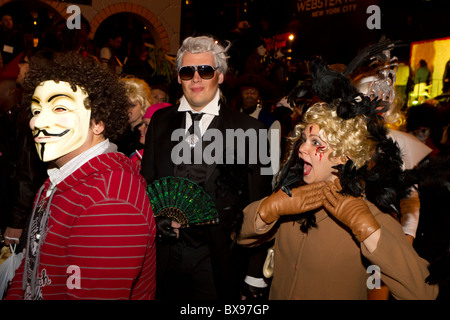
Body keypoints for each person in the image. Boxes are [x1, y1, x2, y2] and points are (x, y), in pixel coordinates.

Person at [237, 57, 439, 300]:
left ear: (345, 155)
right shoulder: (292, 197)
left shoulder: (371, 211)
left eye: (316, 143)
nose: (302, 149)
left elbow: (424, 292)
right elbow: (240, 238)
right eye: (303, 140)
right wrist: (268, 209)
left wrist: (370, 233)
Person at [4, 51, 156, 300]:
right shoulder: (56, 177)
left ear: (97, 122)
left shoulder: (110, 203)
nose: (37, 122)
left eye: (60, 107)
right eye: (36, 110)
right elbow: (31, 264)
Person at [140, 35, 273, 300]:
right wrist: (157, 219)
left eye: (206, 70)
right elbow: (147, 185)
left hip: (220, 259)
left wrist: (255, 272)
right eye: (188, 71)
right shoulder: (160, 122)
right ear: (179, 78)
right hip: (164, 257)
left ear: (220, 76)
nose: (196, 78)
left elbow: (261, 206)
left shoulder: (251, 130)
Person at [115, 76, 153, 157]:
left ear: (143, 105)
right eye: (123, 105)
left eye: (132, 105)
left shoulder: (147, 132)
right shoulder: (120, 132)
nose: (127, 109)